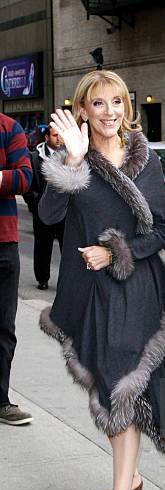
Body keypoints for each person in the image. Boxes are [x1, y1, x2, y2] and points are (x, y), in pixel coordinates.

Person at [38, 70, 165, 490]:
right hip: (89, 294)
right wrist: (69, 161)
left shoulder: (144, 161)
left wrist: (116, 251)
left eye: (117, 102)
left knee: (122, 385)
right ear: (83, 110)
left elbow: (162, 229)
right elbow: (47, 216)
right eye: (99, 104)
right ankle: (132, 476)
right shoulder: (74, 160)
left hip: (137, 288)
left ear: (128, 107)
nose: (109, 112)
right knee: (107, 384)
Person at [0, 112, 33, 426]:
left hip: (3, 243)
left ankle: (1, 401)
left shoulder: (10, 128)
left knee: (3, 328)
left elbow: (24, 178)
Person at [23, 126, 65, 290]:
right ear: (46, 137)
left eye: (60, 135)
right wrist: (35, 206)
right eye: (55, 135)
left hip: (64, 211)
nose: (58, 139)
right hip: (41, 210)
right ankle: (42, 279)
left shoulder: (68, 156)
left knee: (67, 247)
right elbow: (28, 185)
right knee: (42, 246)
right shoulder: (34, 157)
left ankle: (67, 280)